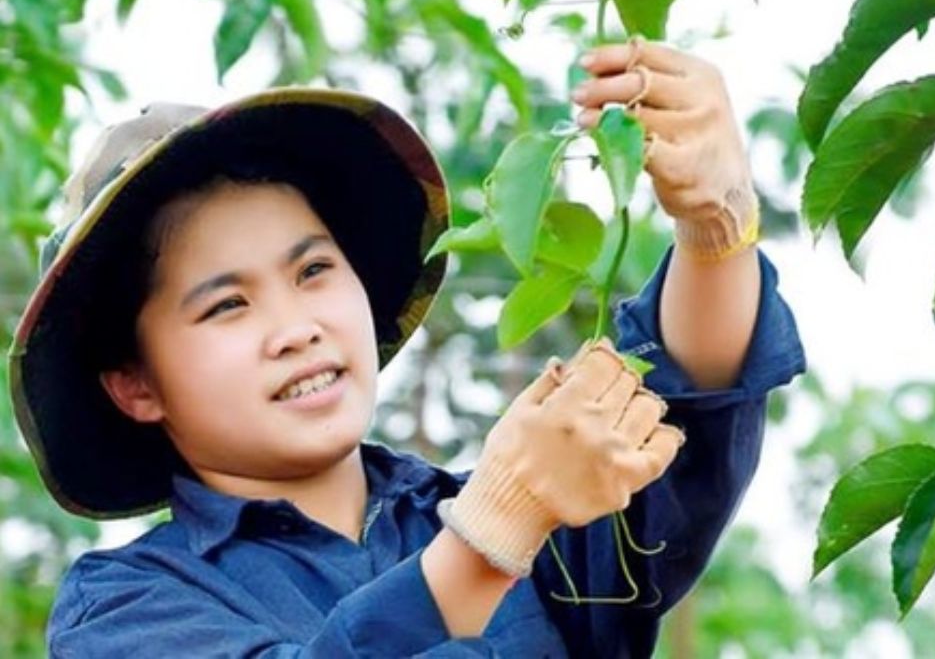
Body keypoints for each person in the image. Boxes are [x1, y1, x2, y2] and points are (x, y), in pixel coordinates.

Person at [10, 39, 805, 657]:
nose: (296, 327)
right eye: (227, 306)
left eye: (313, 270)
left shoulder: (538, 530)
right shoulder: (126, 608)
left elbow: (681, 401)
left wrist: (715, 223)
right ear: (135, 385)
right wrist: (497, 528)